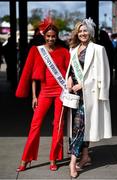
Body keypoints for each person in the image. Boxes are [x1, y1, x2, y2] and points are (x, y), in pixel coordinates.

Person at [15, 17, 70, 172]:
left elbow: (69, 73)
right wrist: (34, 96)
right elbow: (33, 76)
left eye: (53, 36)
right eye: (48, 36)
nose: (51, 38)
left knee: (58, 125)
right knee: (35, 124)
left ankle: (54, 158)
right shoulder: (37, 51)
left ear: (56, 36)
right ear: (44, 36)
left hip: (60, 91)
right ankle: (26, 159)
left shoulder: (63, 52)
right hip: (44, 92)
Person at [66, 18, 112, 178]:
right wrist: (69, 79)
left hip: (89, 94)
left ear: (90, 32)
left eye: (85, 31)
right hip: (75, 94)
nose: (83, 33)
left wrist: (84, 85)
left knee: (78, 127)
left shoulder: (99, 49)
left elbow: (103, 74)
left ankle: (72, 162)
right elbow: (71, 70)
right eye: (80, 31)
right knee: (80, 127)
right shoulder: (73, 49)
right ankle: (85, 156)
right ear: (76, 34)